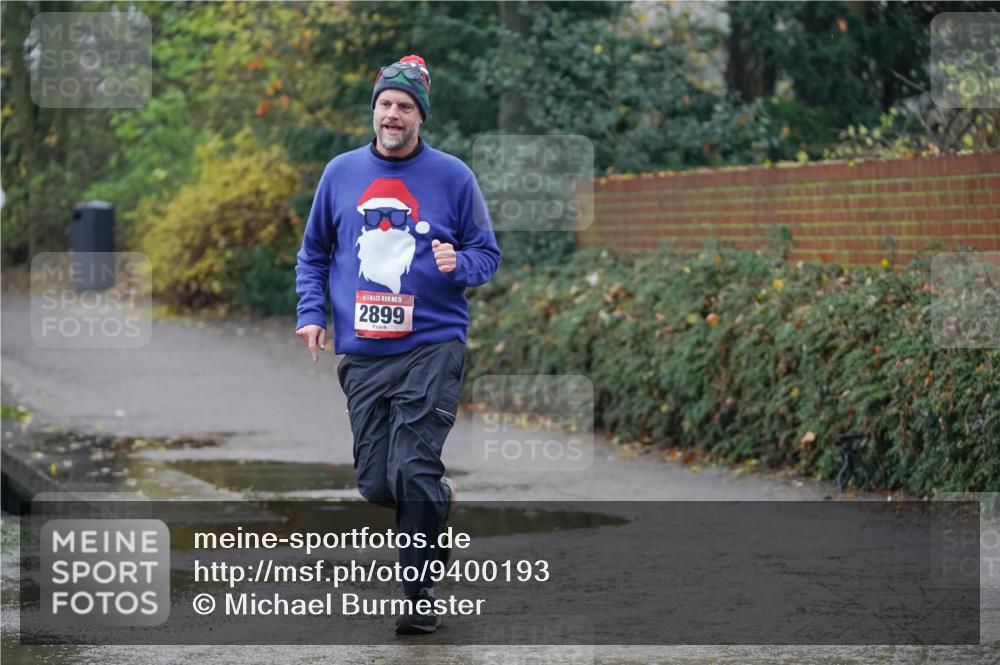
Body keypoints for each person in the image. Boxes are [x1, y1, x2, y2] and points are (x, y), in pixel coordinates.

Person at [293, 54, 500, 634]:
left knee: (411, 469)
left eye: (405, 107)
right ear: (374, 110)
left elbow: (487, 255)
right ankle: (435, 500)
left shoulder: (453, 177)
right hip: (363, 353)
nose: (393, 115)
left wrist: (458, 262)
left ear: (420, 117)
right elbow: (312, 255)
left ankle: (418, 598)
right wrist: (312, 314)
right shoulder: (339, 173)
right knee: (377, 483)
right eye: (385, 104)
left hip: (433, 344)